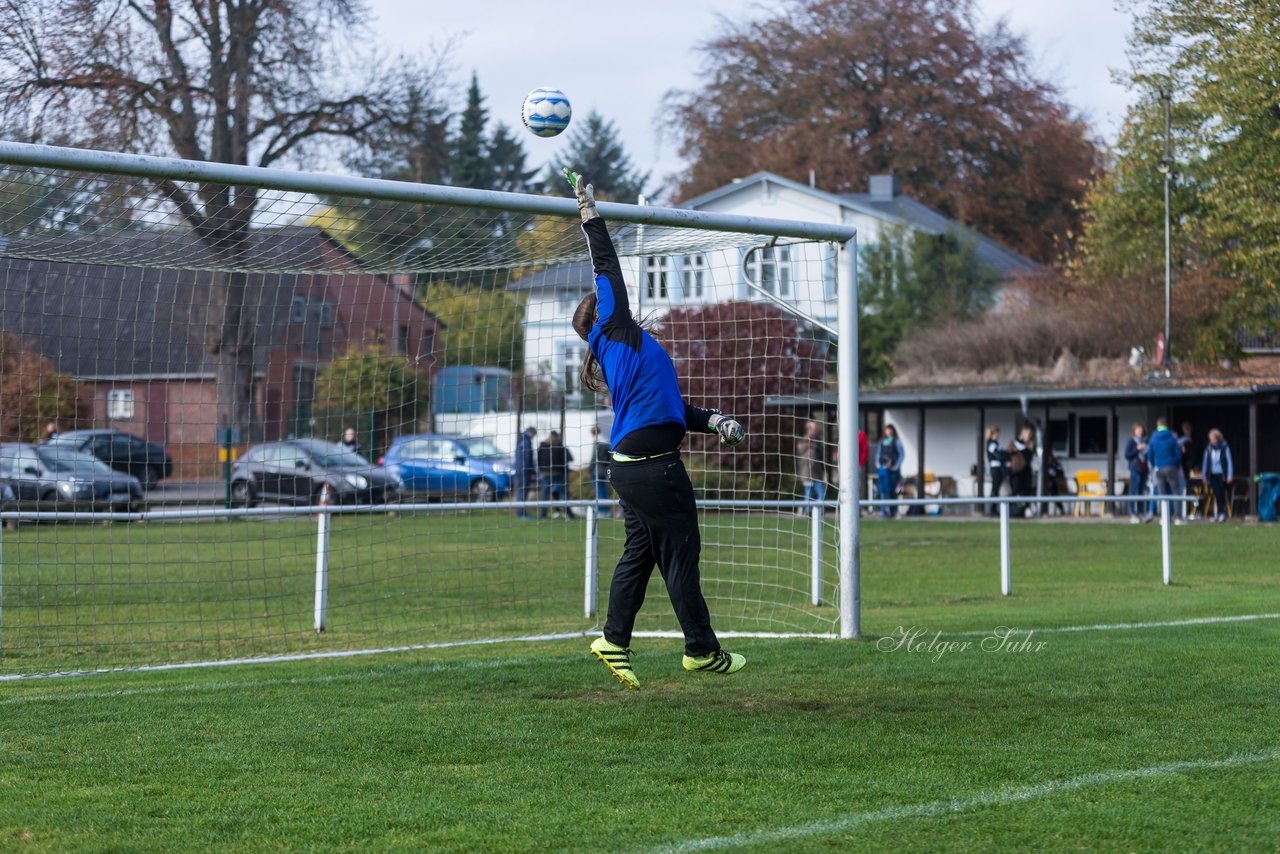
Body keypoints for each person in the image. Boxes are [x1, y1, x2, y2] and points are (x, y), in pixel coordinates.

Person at [566, 168, 747, 689]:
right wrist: (589, 212)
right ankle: (700, 650)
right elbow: (606, 263)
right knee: (681, 557)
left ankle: (613, 640)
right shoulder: (613, 327)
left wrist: (715, 420)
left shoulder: (633, 351)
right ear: (602, 311)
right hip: (654, 470)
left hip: (633, 468)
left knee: (640, 555)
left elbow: (670, 411)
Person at [1145, 416, 1183, 522]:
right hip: (1171, 468)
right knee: (1175, 493)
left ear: (1158, 425)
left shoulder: (1153, 438)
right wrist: (1175, 465)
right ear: (1166, 425)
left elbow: (1150, 455)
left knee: (1162, 494)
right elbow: (1178, 454)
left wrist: (1155, 465)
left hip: (1159, 468)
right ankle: (1178, 517)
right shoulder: (1172, 438)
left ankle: (1165, 518)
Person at [536, 430, 574, 519]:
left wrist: (541, 470)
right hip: (559, 473)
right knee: (563, 494)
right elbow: (565, 461)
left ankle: (542, 515)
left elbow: (538, 460)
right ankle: (568, 514)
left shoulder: (542, 447)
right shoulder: (560, 447)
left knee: (544, 495)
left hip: (545, 473)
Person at [1201, 428, 1234, 522]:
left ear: (1217, 438)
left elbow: (1229, 461)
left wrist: (1229, 475)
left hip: (1222, 474)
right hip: (1212, 474)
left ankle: (1222, 513)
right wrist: (1204, 475)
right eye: (1210, 439)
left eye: (1213, 439)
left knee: (1221, 493)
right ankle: (1218, 513)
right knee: (1216, 493)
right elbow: (1205, 462)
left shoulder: (1224, 447)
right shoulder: (1209, 448)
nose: (1212, 441)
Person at [795, 420, 827, 512]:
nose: (816, 430)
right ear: (809, 429)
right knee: (810, 493)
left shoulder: (818, 441)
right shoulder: (804, 442)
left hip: (817, 474)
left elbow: (820, 458)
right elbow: (802, 458)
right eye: (814, 428)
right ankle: (808, 511)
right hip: (808, 474)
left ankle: (816, 510)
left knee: (818, 492)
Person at [1124, 423, 1151, 522]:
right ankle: (1132, 513)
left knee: (1141, 492)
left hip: (1144, 469)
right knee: (1133, 491)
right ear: (1134, 431)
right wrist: (1137, 449)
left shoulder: (1146, 441)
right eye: (1138, 430)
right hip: (1135, 468)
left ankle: (1140, 512)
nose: (1140, 432)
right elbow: (1127, 455)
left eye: (1141, 430)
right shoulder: (1131, 441)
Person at [875, 424, 903, 519]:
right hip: (883, 471)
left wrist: (895, 466)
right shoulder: (881, 442)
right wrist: (879, 465)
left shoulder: (897, 441)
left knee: (893, 492)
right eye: (887, 430)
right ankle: (884, 512)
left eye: (890, 430)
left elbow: (901, 455)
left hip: (893, 472)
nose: (889, 432)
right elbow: (878, 455)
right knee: (883, 491)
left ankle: (894, 511)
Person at [1008, 425, 1036, 517]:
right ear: (1022, 433)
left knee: (1027, 491)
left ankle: (1025, 510)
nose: (1029, 436)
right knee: (1016, 490)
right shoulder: (1014, 443)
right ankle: (1011, 510)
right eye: (1028, 433)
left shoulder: (1031, 444)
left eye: (1030, 434)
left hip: (1027, 471)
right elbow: (1007, 454)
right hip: (1017, 471)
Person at [589, 425, 616, 516]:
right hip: (604, 469)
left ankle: (602, 511)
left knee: (599, 492)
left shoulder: (597, 442)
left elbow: (593, 458)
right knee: (603, 491)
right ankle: (606, 511)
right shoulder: (606, 441)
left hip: (596, 470)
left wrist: (590, 469)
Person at [513, 426, 538, 520]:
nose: (533, 437)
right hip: (524, 470)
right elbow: (528, 458)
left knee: (521, 491)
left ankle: (521, 512)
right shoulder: (526, 441)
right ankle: (521, 513)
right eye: (534, 435)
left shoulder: (520, 439)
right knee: (522, 491)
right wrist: (532, 471)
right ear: (531, 433)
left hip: (519, 469)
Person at [985, 425, 1010, 517]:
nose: (999, 435)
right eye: (997, 433)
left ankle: (994, 509)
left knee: (996, 488)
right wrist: (1005, 458)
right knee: (995, 489)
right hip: (995, 468)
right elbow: (998, 455)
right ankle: (992, 509)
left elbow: (1002, 453)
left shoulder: (996, 443)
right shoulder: (991, 443)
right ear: (993, 433)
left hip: (999, 467)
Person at [1178, 422, 1197, 520]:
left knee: (1193, 491)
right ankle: (1185, 512)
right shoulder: (1182, 442)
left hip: (1192, 470)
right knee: (1185, 491)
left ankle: (1194, 511)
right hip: (1185, 470)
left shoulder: (1194, 441)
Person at [1042, 449, 1068, 516]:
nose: (1049, 459)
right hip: (1047, 487)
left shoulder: (1056, 464)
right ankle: (1040, 510)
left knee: (1054, 490)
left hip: (1057, 486)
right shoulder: (1044, 466)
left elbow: (1060, 475)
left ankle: (1061, 509)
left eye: (1050, 457)